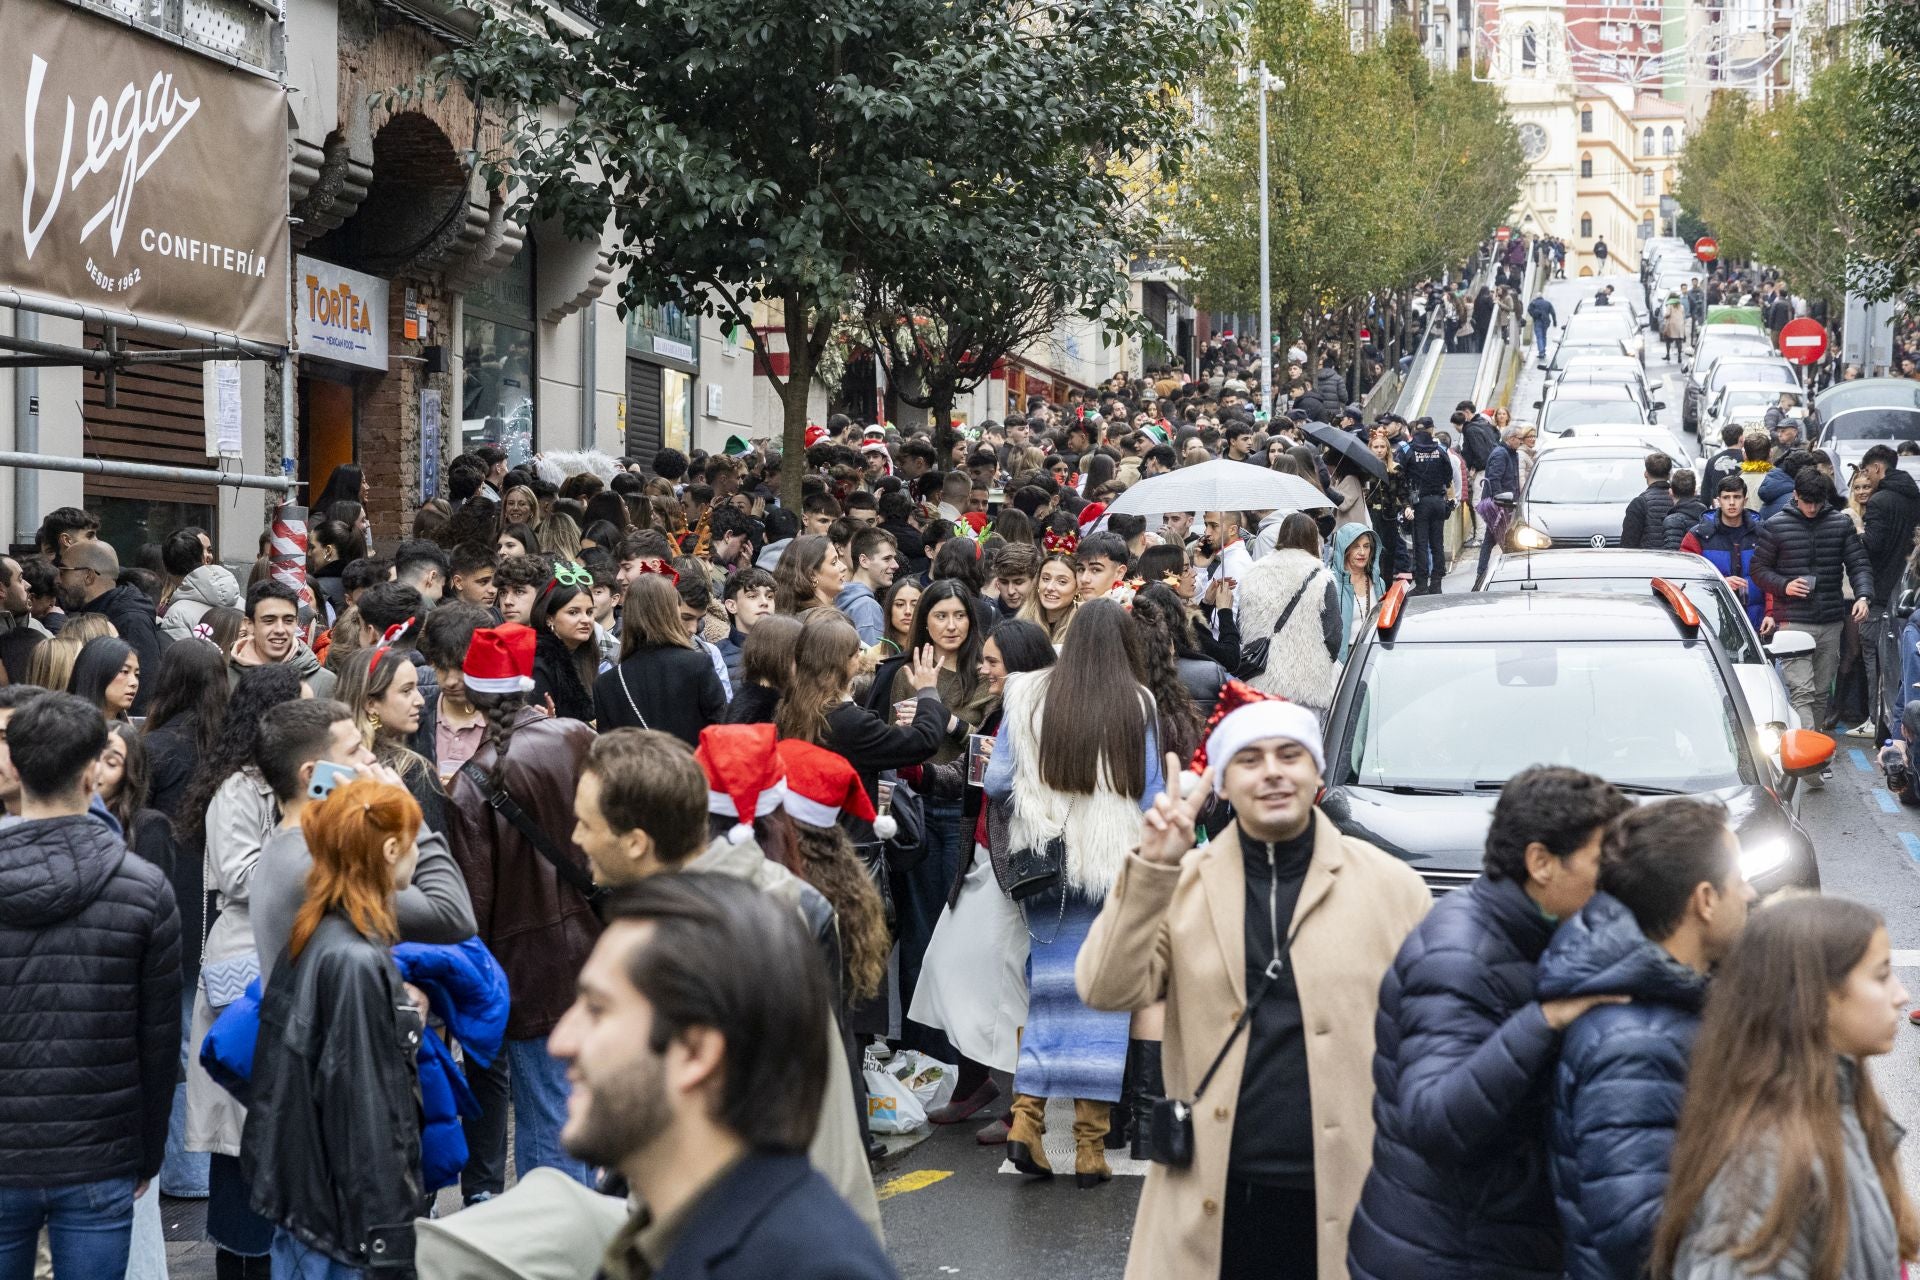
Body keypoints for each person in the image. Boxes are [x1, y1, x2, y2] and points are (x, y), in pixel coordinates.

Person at [1078, 681, 1429, 1279]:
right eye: (1249, 759)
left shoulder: (1393, 888)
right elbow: (1107, 988)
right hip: (1211, 1205)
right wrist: (1153, 867)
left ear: (1316, 771)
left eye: (1289, 755)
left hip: (1352, 1200)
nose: (1272, 773)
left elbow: (1431, 1042)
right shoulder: (1181, 884)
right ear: (1220, 780)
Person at [570, 727, 883, 1237]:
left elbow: (813, 1090)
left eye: (586, 823)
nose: (575, 837)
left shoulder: (715, 933)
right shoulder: (703, 913)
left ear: (636, 841)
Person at [1349, 766, 1634, 1280]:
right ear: (1541, 863)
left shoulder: (1537, 933)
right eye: (1602, 859)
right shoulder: (1461, 957)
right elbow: (1433, 1119)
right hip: (1447, 1256)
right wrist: (1542, 1022)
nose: (1617, 875)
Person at [544, 875, 898, 1280]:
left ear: (696, 1052)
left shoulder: (807, 1267)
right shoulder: (655, 1240)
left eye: (597, 1009)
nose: (561, 1041)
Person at [1537, 798, 1755, 1280]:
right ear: (1705, 899)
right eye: (1739, 880)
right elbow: (1637, 1231)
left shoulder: (1665, 1007)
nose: (1751, 892)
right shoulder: (1634, 1043)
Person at [0, 693, 179, 1280]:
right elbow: (157, 1041)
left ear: (16, 769)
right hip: (100, 1149)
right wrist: (148, 1154)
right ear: (89, 773)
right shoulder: (146, 890)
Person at [985, 599, 1161, 1186]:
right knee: (1105, 1002)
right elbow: (1152, 794)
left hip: (1046, 867)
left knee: (1049, 998)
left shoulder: (1024, 696)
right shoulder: (1137, 703)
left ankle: (1026, 1125)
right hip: (1110, 868)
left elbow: (996, 780)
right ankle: (1089, 1150)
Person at [1652, 897, 1917, 1280]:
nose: (1902, 995)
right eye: (1881, 976)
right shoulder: (1767, 1161)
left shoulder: (1844, 1104)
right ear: (1818, 996)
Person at [243, 778, 427, 1279]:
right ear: (391, 848)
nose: (420, 851)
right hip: (344, 1229)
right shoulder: (353, 960)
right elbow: (366, 1108)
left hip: (314, 1212)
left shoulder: (318, 931)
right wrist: (391, 1239)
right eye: (417, 838)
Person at [444, 623, 602, 1188]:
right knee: (591, 1114)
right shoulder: (580, 738)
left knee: (547, 1123)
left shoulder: (470, 783)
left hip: (527, 973)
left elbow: (473, 904)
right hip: (602, 951)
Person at [248, 699, 474, 991]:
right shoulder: (316, 864)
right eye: (354, 750)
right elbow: (452, 914)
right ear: (312, 775)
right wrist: (404, 808)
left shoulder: (290, 846)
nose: (370, 758)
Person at [1750, 467, 1873, 742]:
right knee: (1801, 691)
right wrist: (1785, 585)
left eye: (1817, 502)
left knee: (1819, 693)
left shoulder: (1840, 524)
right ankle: (1808, 758)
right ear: (1796, 495)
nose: (1812, 508)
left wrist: (1863, 595)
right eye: (1807, 502)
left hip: (1830, 620)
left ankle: (1812, 750)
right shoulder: (1776, 525)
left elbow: (1859, 564)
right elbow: (1758, 570)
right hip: (1792, 619)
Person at [592, 571, 726, 744]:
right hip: (692, 768)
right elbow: (722, 730)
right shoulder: (698, 665)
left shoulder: (606, 684)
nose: (693, 628)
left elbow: (608, 752)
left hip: (633, 770)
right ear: (670, 612)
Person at [337, 644, 448, 834]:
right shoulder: (414, 771)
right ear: (371, 704)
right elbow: (435, 852)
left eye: (416, 688)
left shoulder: (329, 758)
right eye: (406, 691)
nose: (420, 700)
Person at [1238, 515, 1340, 714]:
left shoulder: (1252, 574)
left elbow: (1241, 624)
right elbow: (1334, 635)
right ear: (1314, 539)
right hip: (1307, 686)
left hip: (1260, 682)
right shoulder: (1321, 577)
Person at [56, 539, 161, 714]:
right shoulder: (100, 610)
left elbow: (144, 691)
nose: (58, 580)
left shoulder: (130, 619)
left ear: (88, 576)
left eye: (63, 571)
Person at [1857, 443, 1919, 735]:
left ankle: (1876, 721)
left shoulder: (1880, 501)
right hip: (1907, 587)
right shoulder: (1913, 496)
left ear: (1878, 468)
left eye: (1868, 471)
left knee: (1877, 661)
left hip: (1882, 590)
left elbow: (1875, 545)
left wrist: (1858, 534)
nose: (1867, 478)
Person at [1681, 476, 1769, 629]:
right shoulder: (1699, 536)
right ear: (1718, 501)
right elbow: (1686, 578)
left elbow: (1771, 577)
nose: (1732, 502)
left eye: (1737, 497)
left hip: (1756, 622)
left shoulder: (1761, 533)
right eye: (1726, 497)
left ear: (1745, 500)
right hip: (1713, 621)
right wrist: (1720, 582)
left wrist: (1770, 613)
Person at [230, 580, 338, 697]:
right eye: (269, 620)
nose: (280, 630)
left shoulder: (325, 682)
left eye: (288, 620)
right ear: (249, 624)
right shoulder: (224, 679)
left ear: (296, 622)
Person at [97, 721, 174, 873]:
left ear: (130, 774)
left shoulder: (148, 827)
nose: (97, 769)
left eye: (111, 763)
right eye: (92, 758)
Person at [529, 569, 601, 725]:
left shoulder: (588, 653)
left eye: (589, 612)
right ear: (549, 619)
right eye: (573, 612)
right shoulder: (538, 660)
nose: (585, 620)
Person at [1405, 418, 1454, 594]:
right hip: (1438, 501)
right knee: (1437, 544)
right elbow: (1449, 475)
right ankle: (1436, 583)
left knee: (1421, 544)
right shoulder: (1440, 449)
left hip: (1420, 502)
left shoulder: (1408, 449)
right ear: (1431, 430)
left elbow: (1399, 472)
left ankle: (1421, 584)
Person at [837, 527, 897, 645]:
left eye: (894, 558)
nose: (896, 565)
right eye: (887, 559)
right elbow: (872, 661)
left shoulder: (840, 597)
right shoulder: (867, 608)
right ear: (864, 561)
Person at [1332, 523, 1384, 658]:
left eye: (1366, 546)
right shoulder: (1331, 584)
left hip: (1373, 653)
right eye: (1356, 546)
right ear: (1345, 549)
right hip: (1341, 659)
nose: (1362, 552)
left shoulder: (1379, 583)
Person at [68, 634, 140, 721]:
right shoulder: (68, 728)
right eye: (124, 671)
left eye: (136, 674)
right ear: (98, 672)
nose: (134, 683)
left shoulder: (126, 729)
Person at [1015, 551, 1079, 643]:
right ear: (1037, 583)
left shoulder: (1083, 628)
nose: (1049, 587)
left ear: (1077, 588)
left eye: (1062, 581)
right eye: (1046, 579)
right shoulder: (1020, 626)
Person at [1619, 453, 1676, 550]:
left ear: (1646, 474)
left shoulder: (1639, 503)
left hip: (1648, 561)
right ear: (1669, 475)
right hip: (1678, 561)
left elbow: (1628, 543)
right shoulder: (1678, 500)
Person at [1659, 469, 1706, 552]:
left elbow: (1672, 554)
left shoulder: (1673, 520)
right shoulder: (1706, 515)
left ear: (1671, 492)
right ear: (1694, 491)